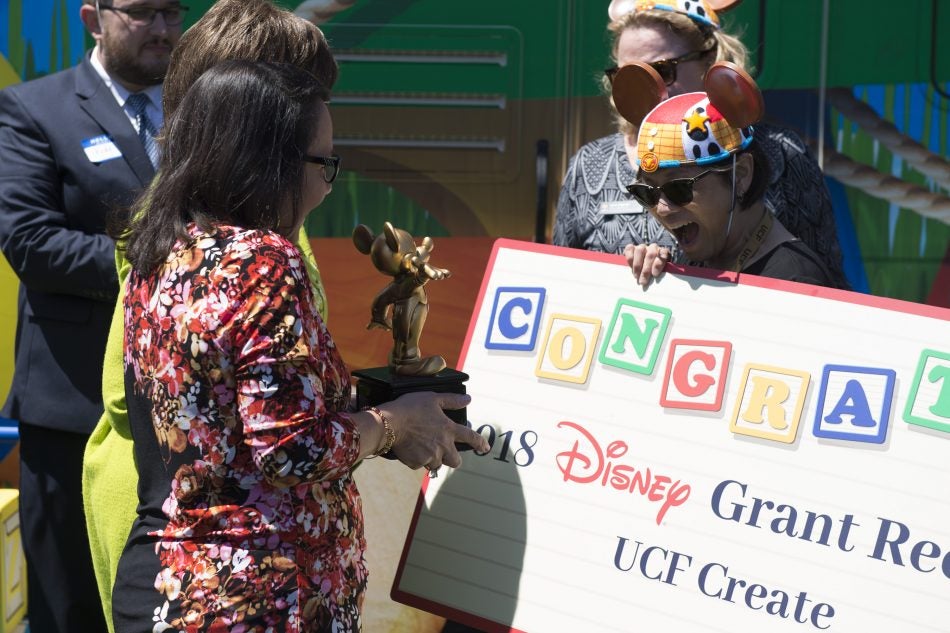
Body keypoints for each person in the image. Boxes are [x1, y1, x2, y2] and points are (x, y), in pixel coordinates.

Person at [110, 59, 489, 632]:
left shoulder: (158, 251)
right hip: (259, 597)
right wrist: (395, 424)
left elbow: (221, 418)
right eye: (325, 163)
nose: (329, 183)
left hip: (171, 580)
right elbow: (290, 449)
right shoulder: (264, 261)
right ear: (270, 164)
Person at [81, 1, 339, 629]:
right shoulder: (256, 248)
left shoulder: (179, 224)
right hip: (221, 561)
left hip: (175, 552)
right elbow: (126, 393)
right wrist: (382, 425)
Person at [0, 2, 185, 631]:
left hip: (182, 415)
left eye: (173, 11)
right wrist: (160, 266)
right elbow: (30, 242)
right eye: (141, 12)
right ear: (92, 17)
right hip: (72, 410)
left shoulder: (200, 111)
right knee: (70, 607)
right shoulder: (34, 109)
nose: (162, 28)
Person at [553, 0, 850, 289]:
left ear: (709, 60)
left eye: (663, 70)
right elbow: (561, 282)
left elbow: (825, 286)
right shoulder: (590, 164)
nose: (650, 89)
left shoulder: (780, 153)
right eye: (627, 76)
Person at [620, 62, 840, 288]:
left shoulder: (795, 282)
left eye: (678, 188)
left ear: (741, 175)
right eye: (646, 193)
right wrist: (660, 277)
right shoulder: (706, 254)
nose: (662, 208)